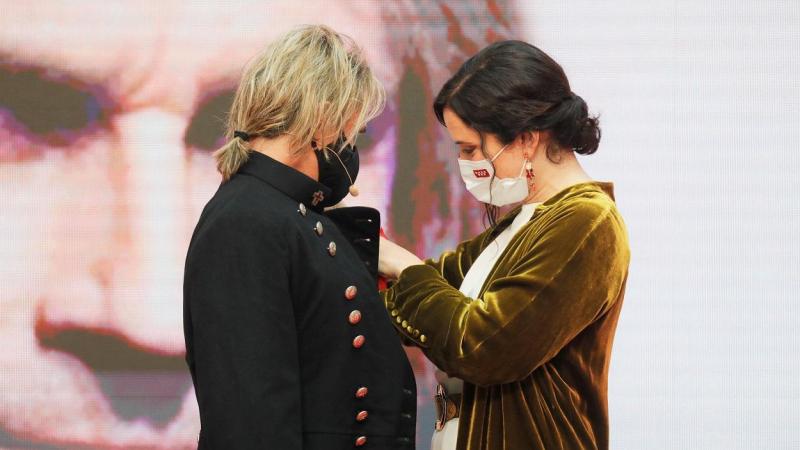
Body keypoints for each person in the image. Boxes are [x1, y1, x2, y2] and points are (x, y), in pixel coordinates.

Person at [378, 40, 631, 450]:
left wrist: (401, 266)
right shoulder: (522, 223)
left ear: (526, 139)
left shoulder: (587, 222)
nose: (465, 163)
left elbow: (484, 345)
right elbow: (432, 298)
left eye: (471, 149)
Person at [183, 25, 416, 449]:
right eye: (354, 130)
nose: (351, 145)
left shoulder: (293, 213)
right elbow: (251, 420)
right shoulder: (246, 220)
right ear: (324, 118)